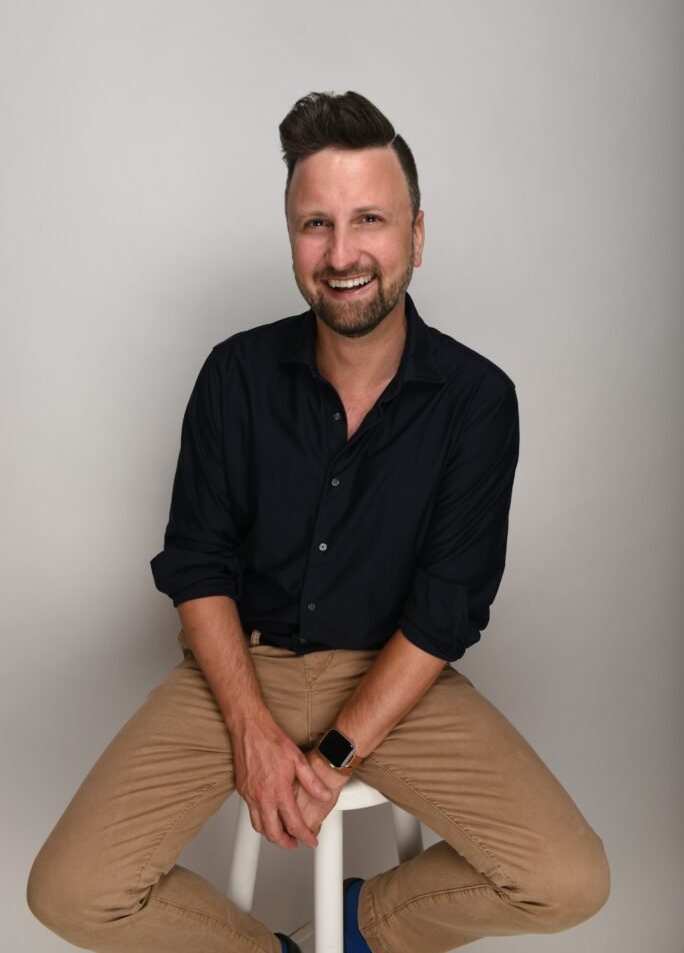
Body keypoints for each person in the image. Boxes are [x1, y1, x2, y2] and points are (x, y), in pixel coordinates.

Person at [27, 90, 610, 953]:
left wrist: (334, 756)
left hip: (395, 681)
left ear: (416, 234)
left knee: (568, 880)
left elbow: (448, 608)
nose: (343, 254)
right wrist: (253, 731)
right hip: (241, 667)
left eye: (369, 219)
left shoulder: (478, 401)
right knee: (70, 892)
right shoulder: (234, 374)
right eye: (316, 225)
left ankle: (357, 925)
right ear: (293, 239)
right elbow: (197, 564)